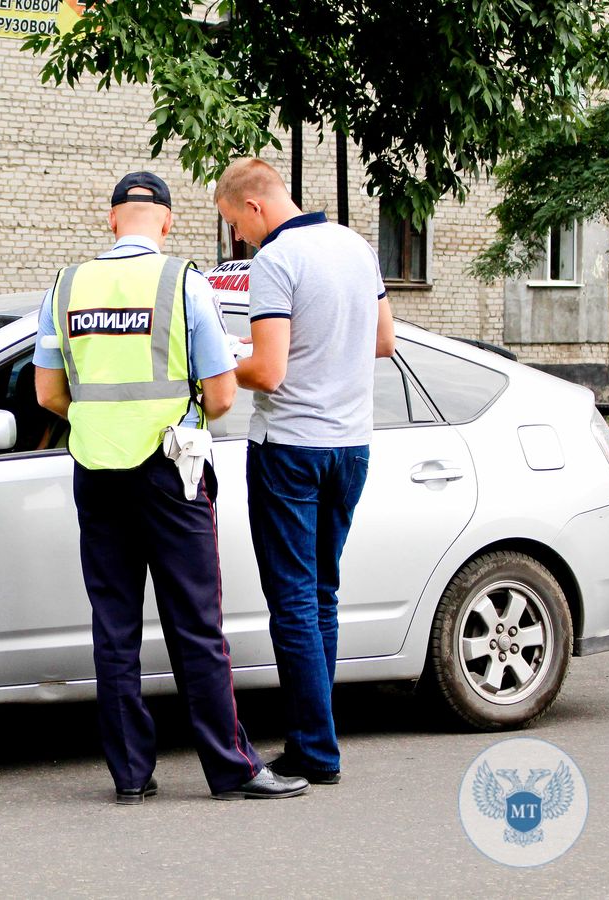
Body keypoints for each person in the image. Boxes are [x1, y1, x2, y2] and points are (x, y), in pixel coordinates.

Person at [35, 171, 310, 804]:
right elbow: (219, 392)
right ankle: (229, 769)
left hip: (95, 472)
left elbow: (48, 393)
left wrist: (105, 423)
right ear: (166, 221)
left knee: (114, 626)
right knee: (195, 625)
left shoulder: (65, 285)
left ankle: (130, 775)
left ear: (110, 220)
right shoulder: (183, 283)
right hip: (170, 471)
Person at [214, 158, 395, 785]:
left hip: (290, 448)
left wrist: (216, 364)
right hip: (351, 447)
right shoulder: (355, 244)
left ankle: (315, 752)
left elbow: (267, 371)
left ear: (254, 206)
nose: (238, 237)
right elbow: (383, 342)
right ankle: (319, 744)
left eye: (233, 222)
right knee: (322, 596)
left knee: (292, 601)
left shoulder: (274, 261)